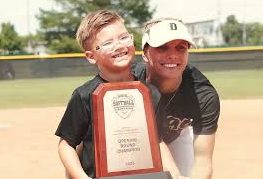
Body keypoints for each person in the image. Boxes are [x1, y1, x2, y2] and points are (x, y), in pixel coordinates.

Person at [55, 10, 162, 179]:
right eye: (107, 43)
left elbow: (159, 142)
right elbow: (66, 144)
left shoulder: (150, 93)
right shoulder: (84, 96)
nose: (119, 46)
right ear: (91, 57)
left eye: (124, 37)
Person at [132, 18, 220, 178]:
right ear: (145, 54)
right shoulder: (129, 83)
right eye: (162, 47)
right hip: (134, 141)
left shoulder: (203, 95)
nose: (172, 55)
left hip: (175, 138)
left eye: (181, 48)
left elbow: (203, 161)